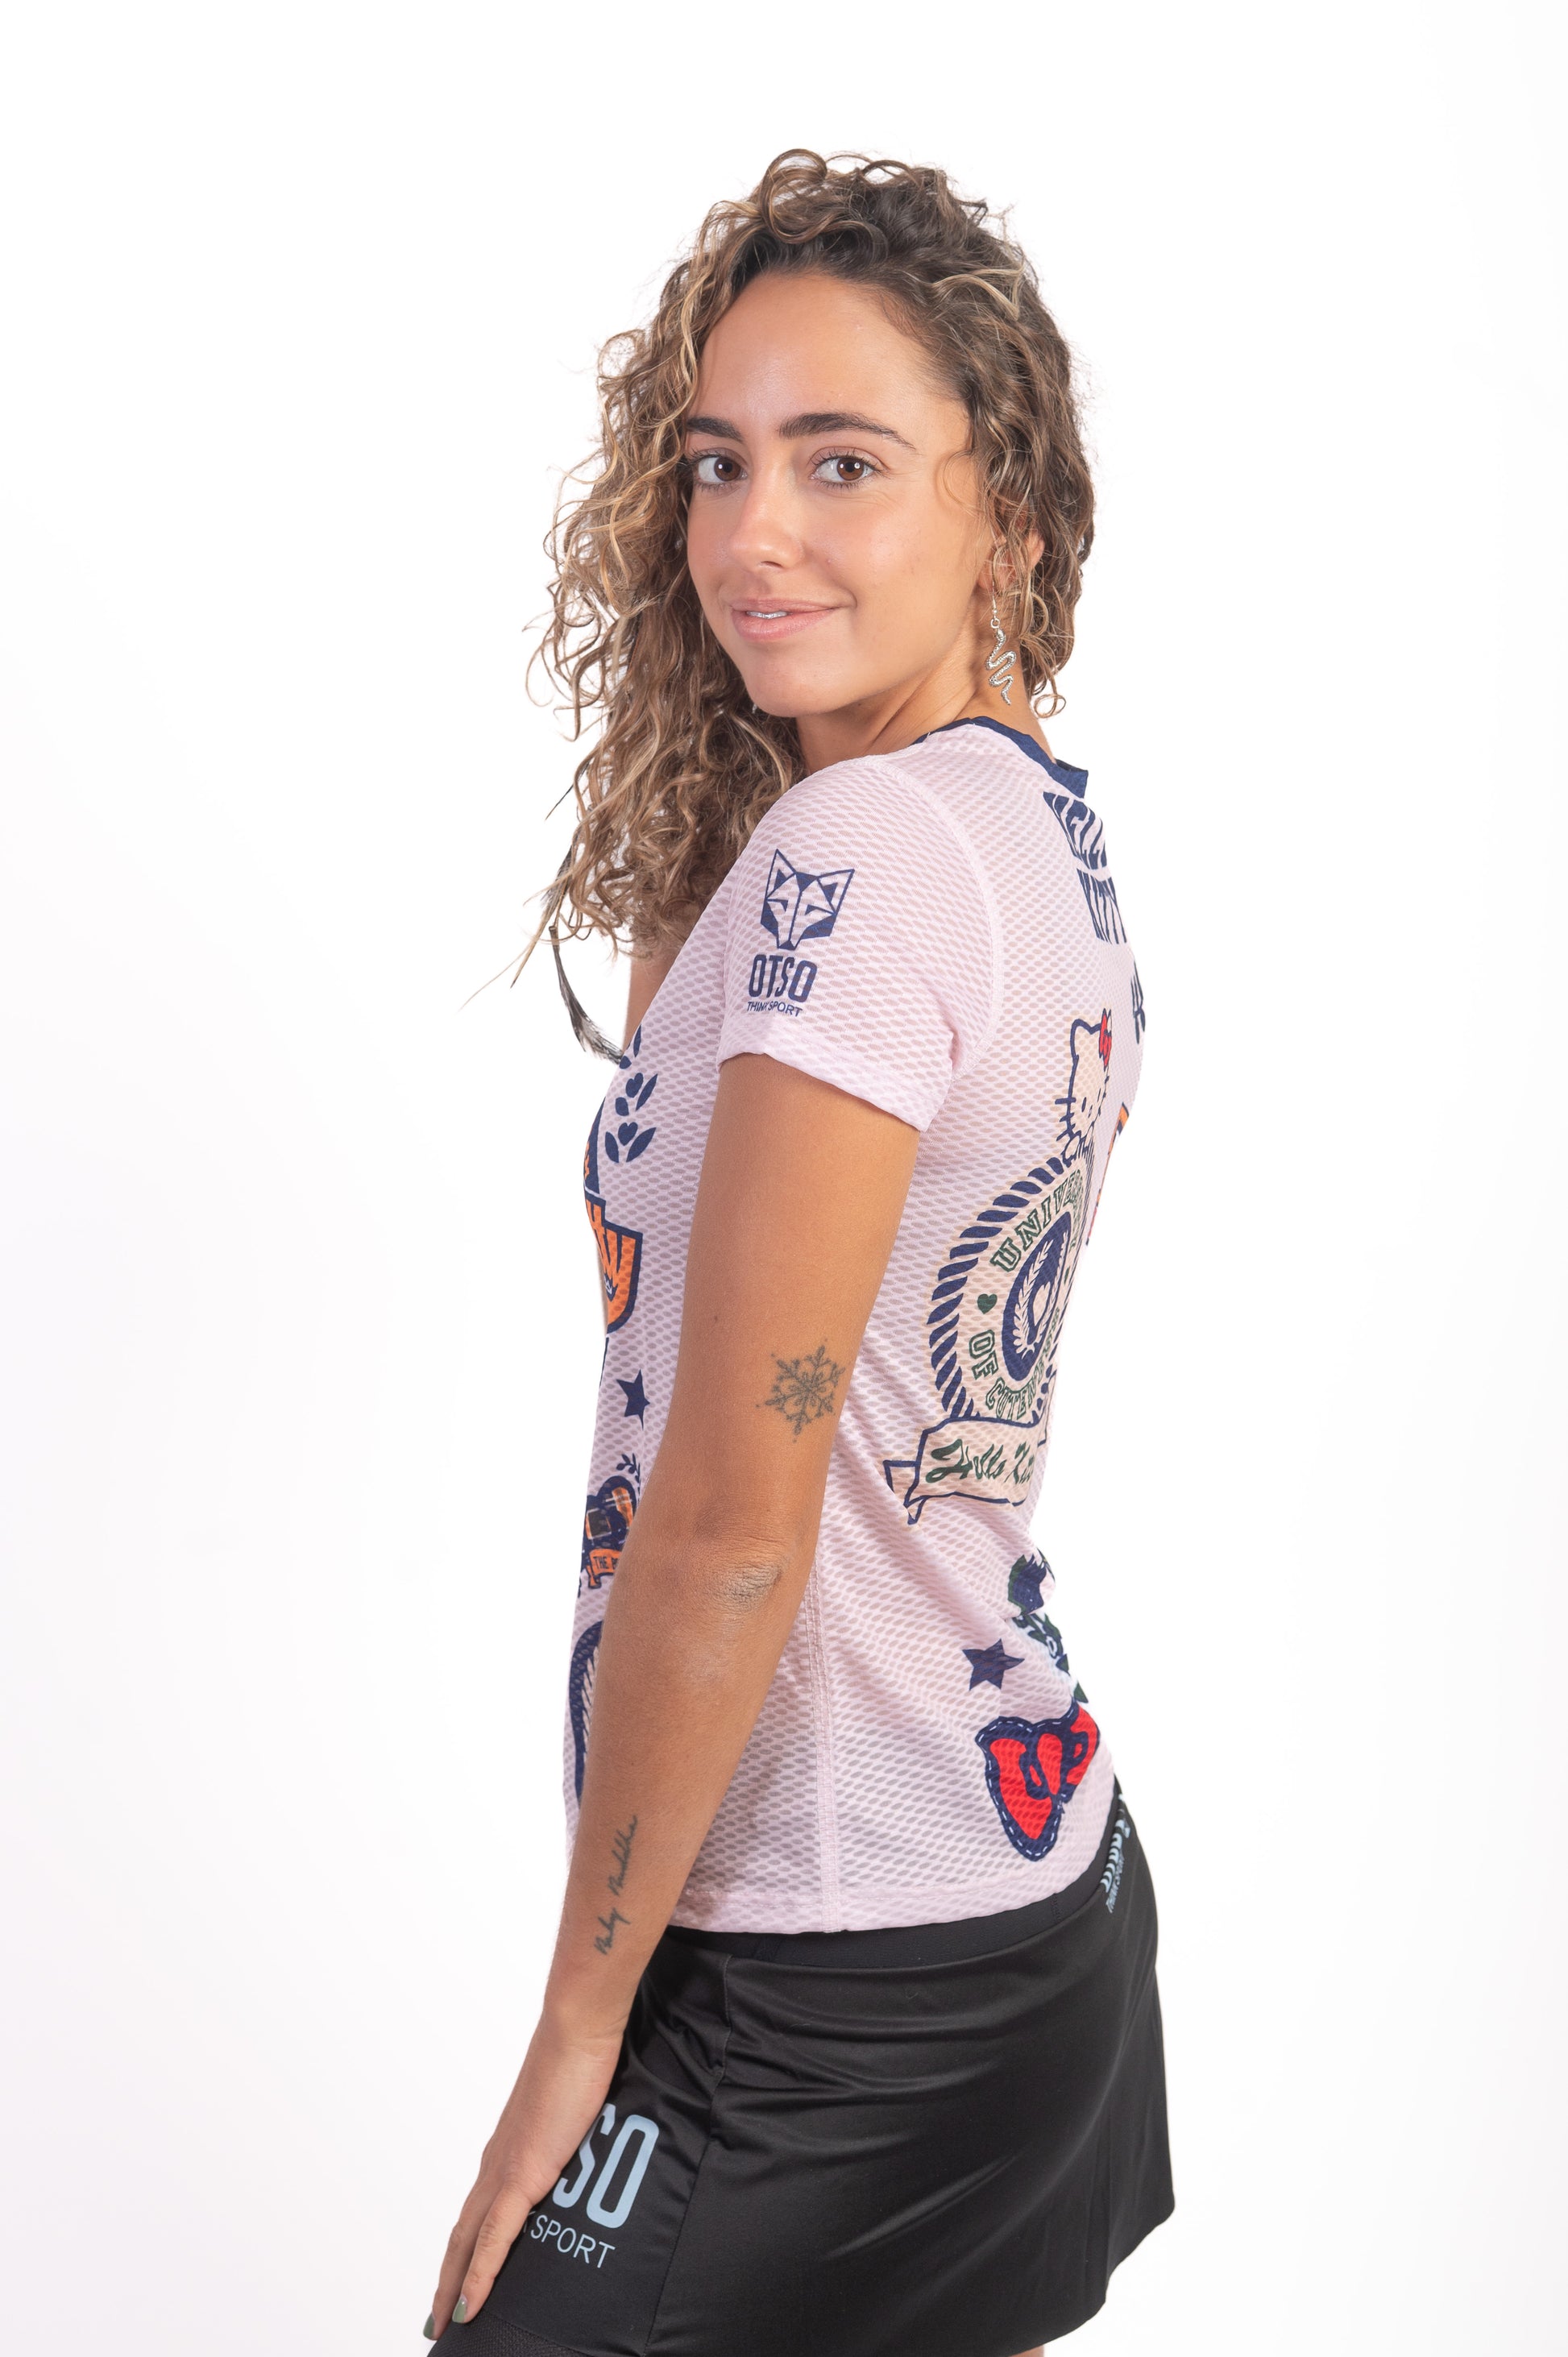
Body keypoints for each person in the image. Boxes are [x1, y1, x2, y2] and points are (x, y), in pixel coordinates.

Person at [425, 151, 1172, 2357]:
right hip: (1025, 1888)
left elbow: (736, 1520)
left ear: (1005, 511)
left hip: (819, 1977)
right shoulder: (1024, 830)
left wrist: (578, 2027)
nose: (754, 534)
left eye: (841, 463)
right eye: (715, 465)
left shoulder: (871, 852)